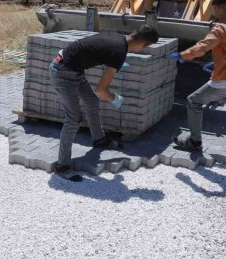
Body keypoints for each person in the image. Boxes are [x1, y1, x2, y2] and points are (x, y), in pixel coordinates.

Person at [50, 25, 160, 178]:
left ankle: (99, 139)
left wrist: (114, 65)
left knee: (91, 101)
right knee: (74, 118)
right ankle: (62, 166)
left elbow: (96, 51)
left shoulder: (117, 37)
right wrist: (115, 99)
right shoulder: (119, 52)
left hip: (71, 68)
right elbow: (101, 90)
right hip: (63, 72)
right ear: (144, 44)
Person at [168, 0, 226, 177]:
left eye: (214, 8)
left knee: (193, 100)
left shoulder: (220, 28)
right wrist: (217, 63)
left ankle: (194, 141)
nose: (212, 12)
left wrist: (183, 55)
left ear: (223, 9)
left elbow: (203, 46)